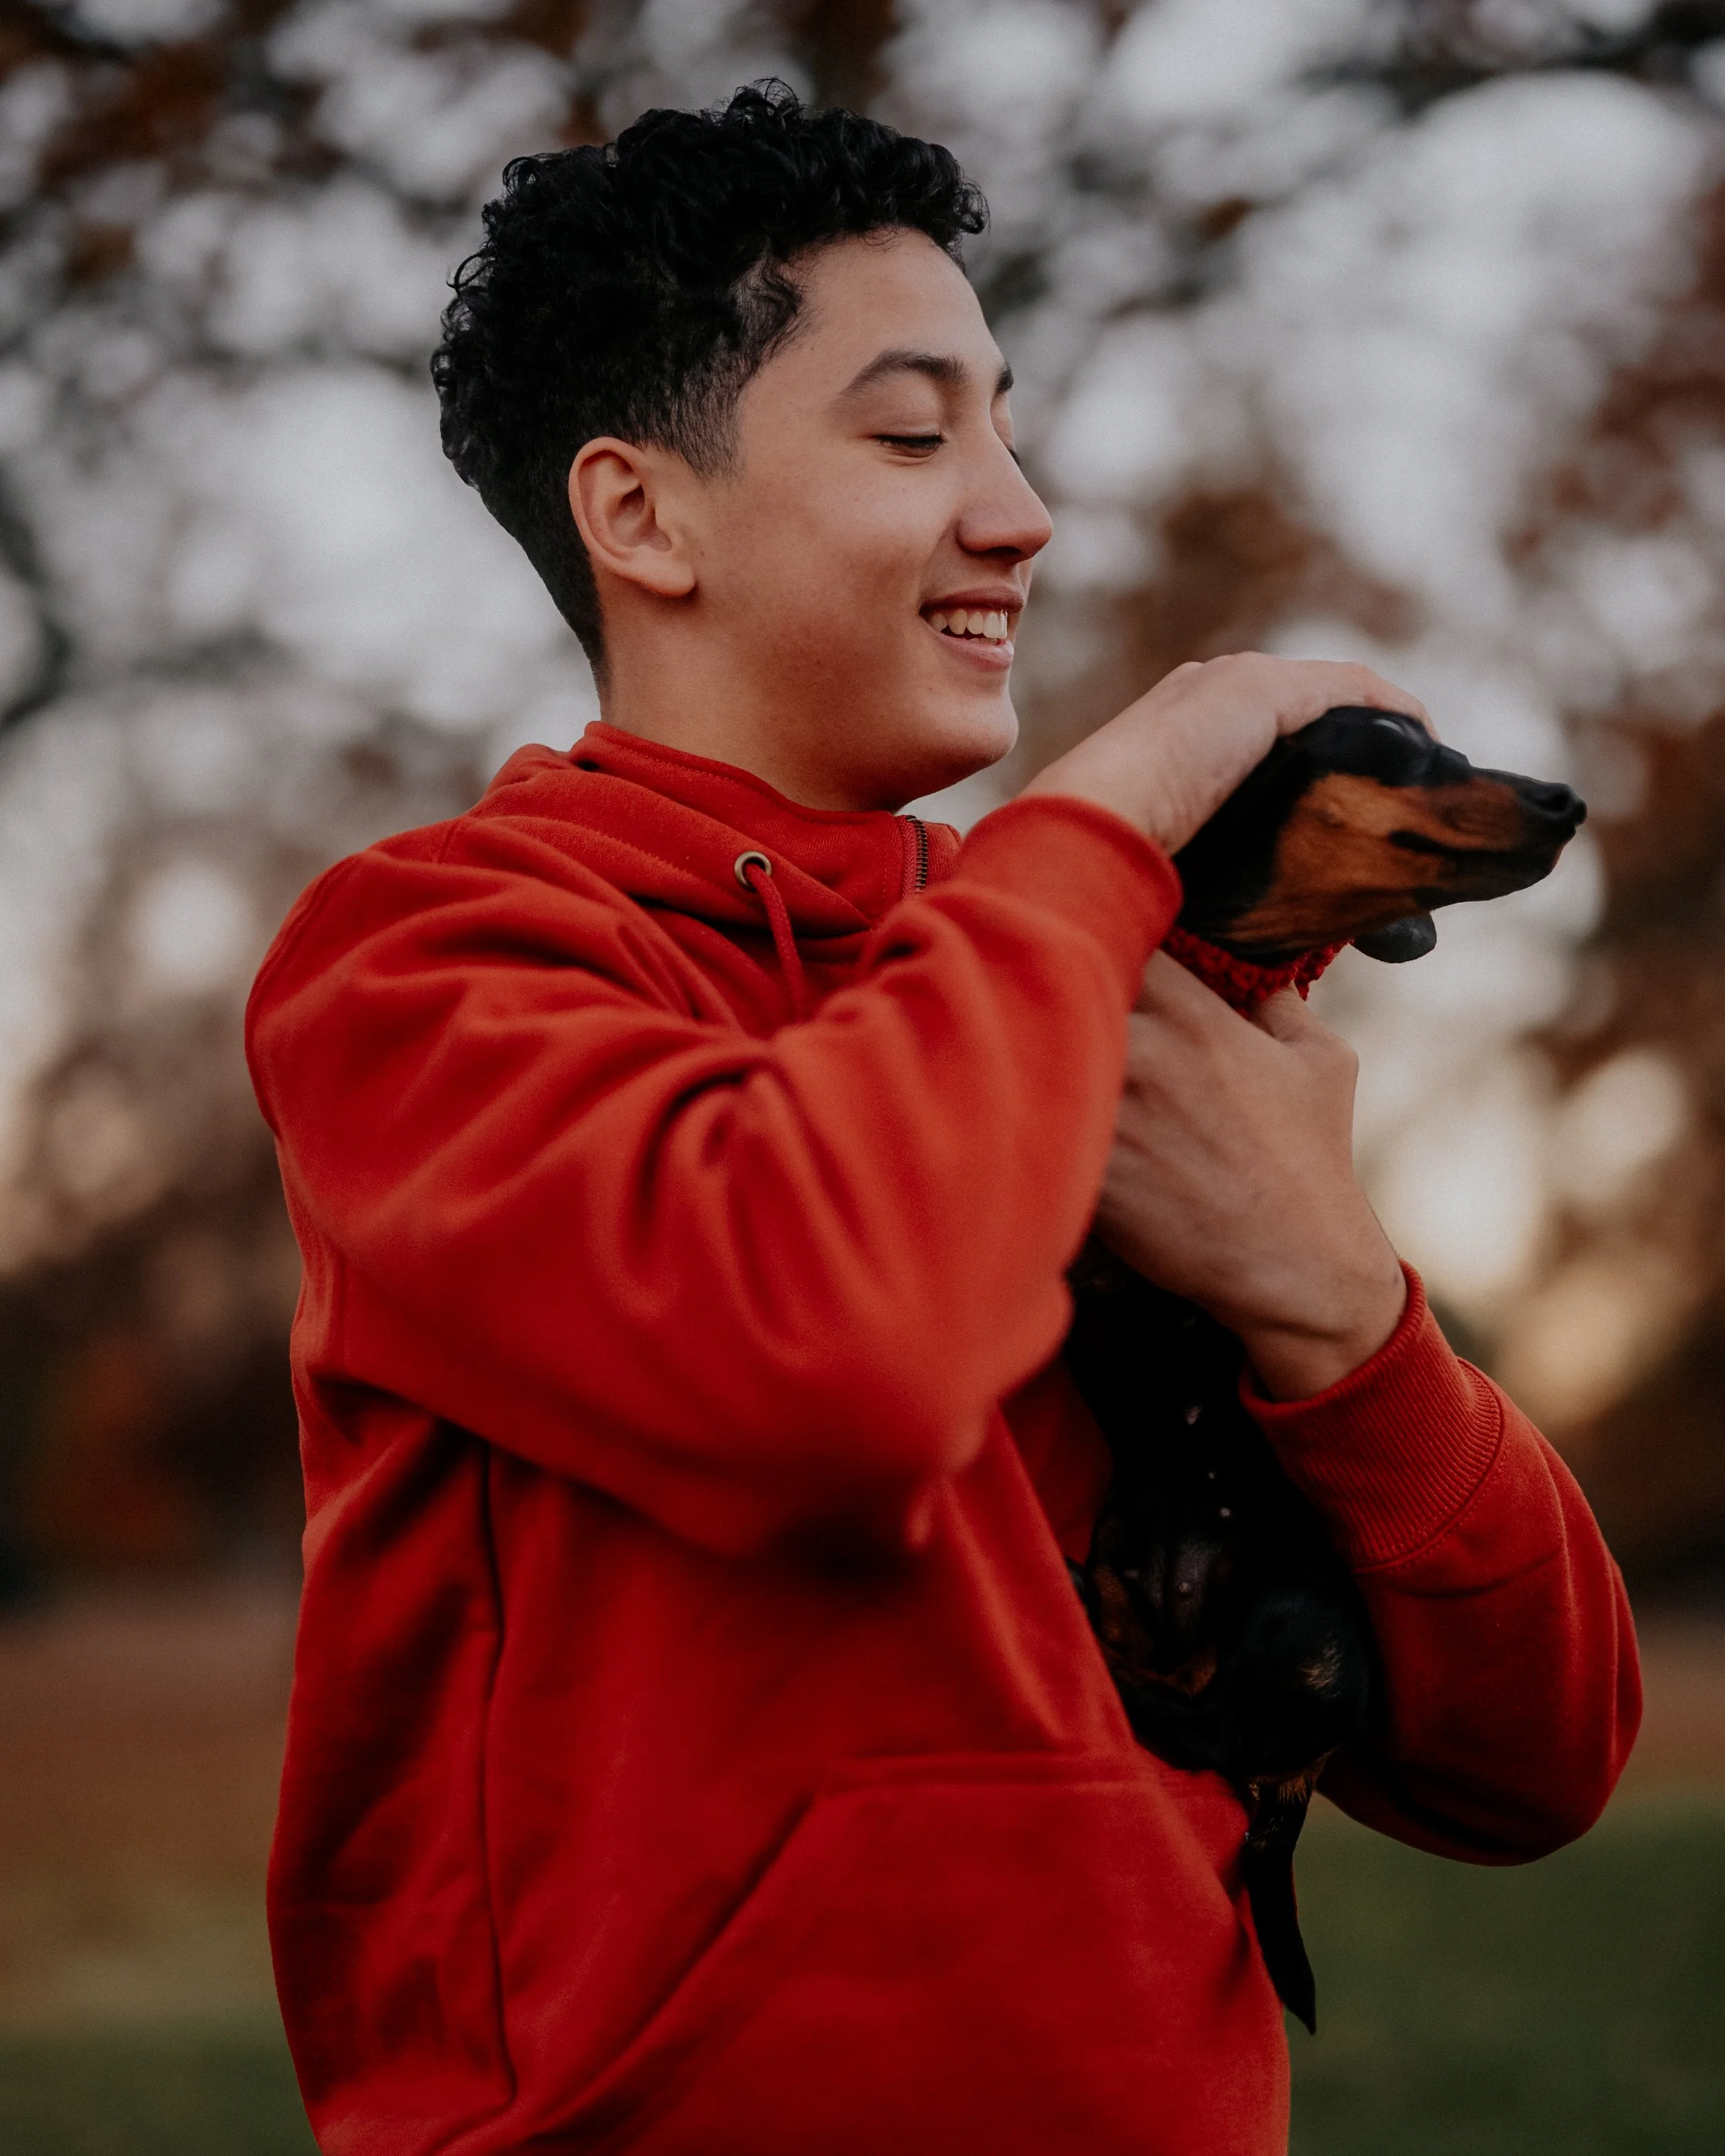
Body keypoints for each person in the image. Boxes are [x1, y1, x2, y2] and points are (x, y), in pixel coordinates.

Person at [246, 83, 1639, 2156]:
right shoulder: (424, 966)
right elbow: (834, 1350)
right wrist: (1128, 795)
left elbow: (1535, 1765)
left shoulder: (1091, 1000)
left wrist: (1334, 1304)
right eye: (914, 435)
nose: (1021, 510)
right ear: (642, 517)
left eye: (1005, 422)